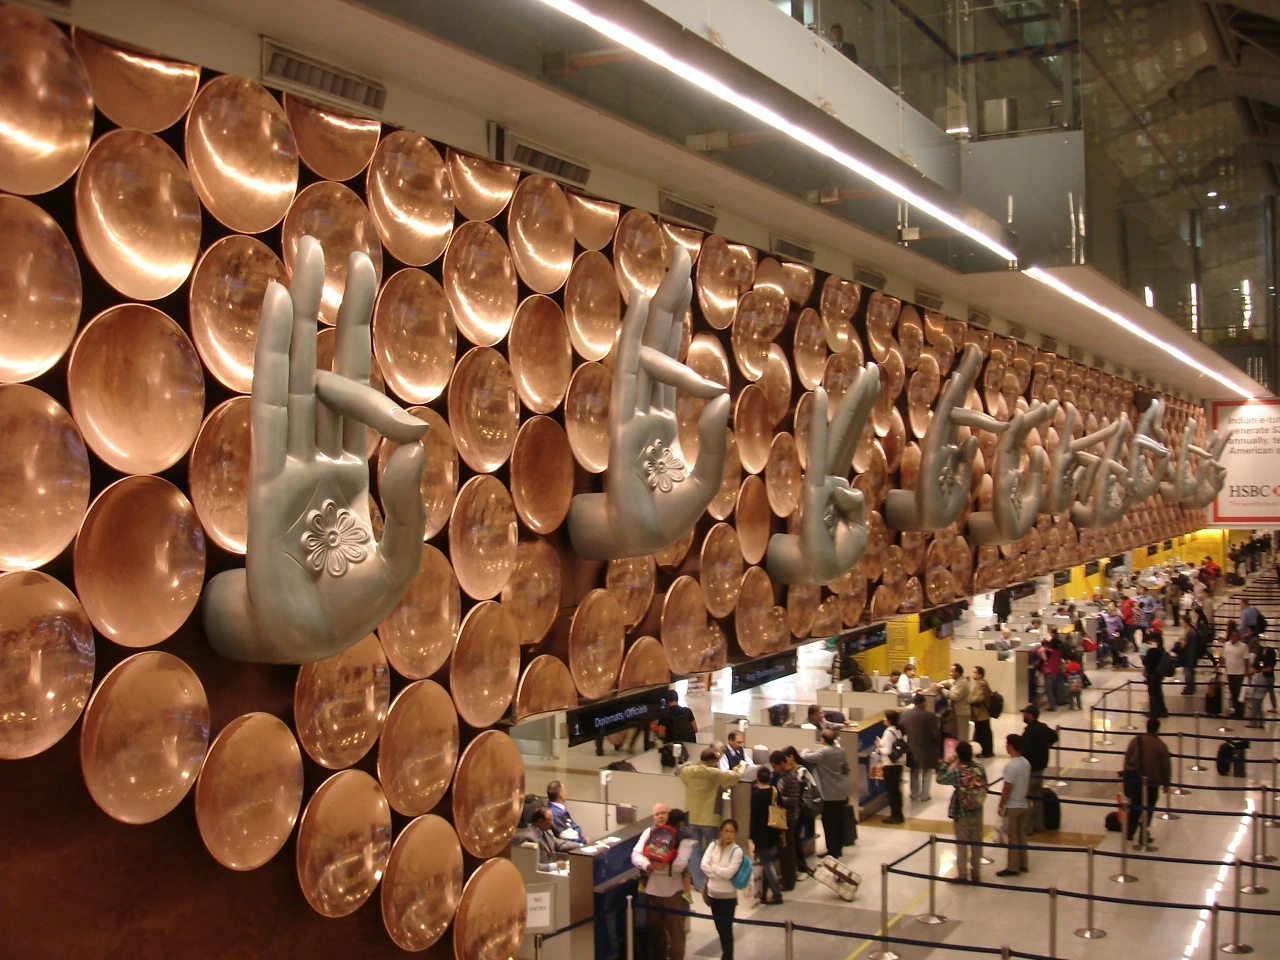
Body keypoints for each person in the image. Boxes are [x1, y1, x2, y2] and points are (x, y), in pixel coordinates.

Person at [631, 803, 694, 960]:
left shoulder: (682, 836)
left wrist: (658, 867)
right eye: (657, 814)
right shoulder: (649, 832)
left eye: (663, 813)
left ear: (669, 814)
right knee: (657, 935)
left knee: (677, 936)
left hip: (675, 893)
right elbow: (635, 855)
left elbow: (680, 864)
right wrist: (650, 866)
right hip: (653, 892)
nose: (660, 816)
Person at [679, 748, 741, 891]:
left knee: (694, 851)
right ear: (712, 761)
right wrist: (737, 770)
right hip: (709, 818)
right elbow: (734, 778)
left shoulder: (689, 771)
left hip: (692, 816)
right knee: (713, 850)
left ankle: (699, 885)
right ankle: (711, 881)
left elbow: (680, 772)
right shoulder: (715, 773)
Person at [936, 741, 988, 883]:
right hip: (977, 810)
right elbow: (985, 786)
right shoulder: (980, 768)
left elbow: (940, 778)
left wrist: (947, 763)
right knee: (977, 844)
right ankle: (976, 873)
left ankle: (962, 874)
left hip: (962, 812)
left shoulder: (958, 772)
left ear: (958, 755)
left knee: (962, 845)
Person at [1121, 718, 1172, 849]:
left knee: (1135, 807)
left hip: (1136, 781)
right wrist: (1166, 783)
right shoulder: (1161, 745)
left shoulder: (1136, 740)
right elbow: (1166, 766)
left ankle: (1129, 832)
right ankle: (1143, 833)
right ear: (1158, 729)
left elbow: (1127, 758)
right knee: (1148, 809)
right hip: (1152, 783)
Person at [802, 728, 852, 858]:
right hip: (842, 791)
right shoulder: (842, 751)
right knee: (839, 821)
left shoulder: (823, 752)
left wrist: (805, 750)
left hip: (829, 793)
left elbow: (805, 756)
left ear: (823, 739)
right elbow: (846, 768)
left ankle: (832, 851)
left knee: (828, 823)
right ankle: (838, 848)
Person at [701, 819, 744, 960]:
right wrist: (720, 872)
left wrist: (713, 867)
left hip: (728, 897)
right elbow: (703, 865)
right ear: (721, 831)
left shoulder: (737, 851)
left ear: (735, 834)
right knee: (719, 929)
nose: (728, 834)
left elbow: (729, 873)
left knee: (726, 930)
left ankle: (727, 957)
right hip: (713, 895)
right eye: (726, 831)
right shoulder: (713, 845)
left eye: (731, 832)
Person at [996, 734, 1031, 877]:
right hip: (1023, 803)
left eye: (1007, 744)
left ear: (1011, 746)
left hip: (1013, 806)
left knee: (1012, 837)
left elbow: (1007, 787)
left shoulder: (1011, 766)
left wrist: (1001, 804)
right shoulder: (1026, 763)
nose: (1005, 746)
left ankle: (1012, 867)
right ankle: (1023, 863)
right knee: (1021, 835)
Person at [1019, 705, 1058, 834]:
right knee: (1037, 797)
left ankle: (1028, 827)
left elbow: (1025, 751)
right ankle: (1039, 825)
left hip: (1030, 769)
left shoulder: (1029, 732)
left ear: (1030, 716)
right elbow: (1055, 736)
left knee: (1027, 798)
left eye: (1025, 713)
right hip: (1040, 767)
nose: (1023, 716)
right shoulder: (1043, 728)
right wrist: (1046, 746)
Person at [749, 766, 784, 905]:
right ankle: (763, 893)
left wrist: (751, 837)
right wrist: (782, 833)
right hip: (773, 830)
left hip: (761, 833)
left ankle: (777, 894)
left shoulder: (756, 795)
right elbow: (781, 810)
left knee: (767, 864)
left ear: (757, 778)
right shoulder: (775, 791)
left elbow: (753, 817)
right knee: (767, 862)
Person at [898, 693, 941, 803]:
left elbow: (901, 729)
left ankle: (914, 793)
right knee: (927, 771)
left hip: (911, 746)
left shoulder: (905, 714)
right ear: (923, 703)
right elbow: (936, 734)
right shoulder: (930, 716)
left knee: (914, 771)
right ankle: (925, 795)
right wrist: (938, 746)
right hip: (927, 747)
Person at [769, 750, 802, 889]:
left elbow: (794, 800)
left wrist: (778, 799)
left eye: (775, 766)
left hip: (788, 819)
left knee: (787, 851)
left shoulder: (791, 778)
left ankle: (789, 882)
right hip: (783, 818)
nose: (774, 769)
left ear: (782, 763)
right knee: (784, 850)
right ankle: (787, 876)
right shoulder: (783, 775)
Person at [875, 710, 906, 824]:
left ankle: (895, 815)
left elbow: (887, 751)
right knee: (896, 790)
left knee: (892, 792)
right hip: (898, 763)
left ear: (889, 720)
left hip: (890, 765)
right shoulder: (898, 730)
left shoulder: (888, 732)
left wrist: (879, 749)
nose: (883, 719)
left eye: (885, 718)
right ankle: (899, 814)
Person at [938, 662, 973, 741]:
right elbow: (948, 682)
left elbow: (955, 696)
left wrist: (942, 690)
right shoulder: (956, 681)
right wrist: (938, 684)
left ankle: (963, 749)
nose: (950, 673)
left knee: (962, 737)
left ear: (957, 672)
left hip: (962, 714)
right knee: (956, 736)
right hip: (955, 713)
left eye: (952, 671)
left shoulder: (963, 683)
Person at [1222, 626, 1250, 720]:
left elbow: (1246, 660)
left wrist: (1247, 672)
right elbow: (1224, 657)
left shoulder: (1243, 646)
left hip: (1240, 673)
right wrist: (1219, 664)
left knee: (1239, 693)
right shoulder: (1226, 645)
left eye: (1236, 636)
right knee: (1233, 692)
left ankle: (1240, 712)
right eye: (1233, 636)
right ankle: (1235, 710)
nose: (1234, 638)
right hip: (1230, 672)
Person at [1142, 630, 1169, 719]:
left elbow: (1145, 661)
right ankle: (1162, 711)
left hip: (1152, 674)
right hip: (1159, 674)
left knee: (1153, 694)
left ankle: (1154, 712)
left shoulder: (1152, 651)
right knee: (1158, 693)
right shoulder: (1162, 649)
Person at [970, 665, 995, 758]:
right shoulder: (979, 683)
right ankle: (986, 750)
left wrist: (969, 700)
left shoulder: (982, 684)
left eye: (975, 673)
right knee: (982, 732)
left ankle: (987, 752)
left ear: (980, 675)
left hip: (981, 713)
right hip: (980, 714)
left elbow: (979, 698)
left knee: (984, 733)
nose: (972, 674)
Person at [1039, 635, 1065, 711]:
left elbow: (1043, 659)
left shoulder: (1048, 651)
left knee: (1049, 689)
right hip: (1056, 671)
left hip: (1048, 671)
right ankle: (1058, 701)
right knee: (1055, 688)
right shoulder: (1059, 651)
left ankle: (1052, 705)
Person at [1253, 639, 1277, 713]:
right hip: (1270, 677)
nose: (1263, 651)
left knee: (1262, 692)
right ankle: (1274, 707)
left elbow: (1269, 669)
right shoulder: (1268, 659)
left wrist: (1261, 670)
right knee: (1270, 692)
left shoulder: (1268, 660)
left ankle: (1258, 705)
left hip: (1268, 678)